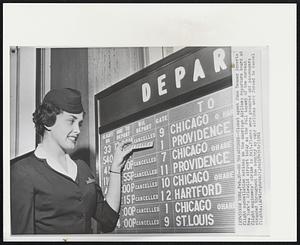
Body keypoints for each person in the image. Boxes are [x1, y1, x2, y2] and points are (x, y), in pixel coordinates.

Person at [11, 88, 133, 234]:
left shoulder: (82, 168)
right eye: (71, 121)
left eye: (80, 123)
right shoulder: (22, 171)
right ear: (48, 120)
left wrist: (116, 169)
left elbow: (108, 219)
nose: (77, 130)